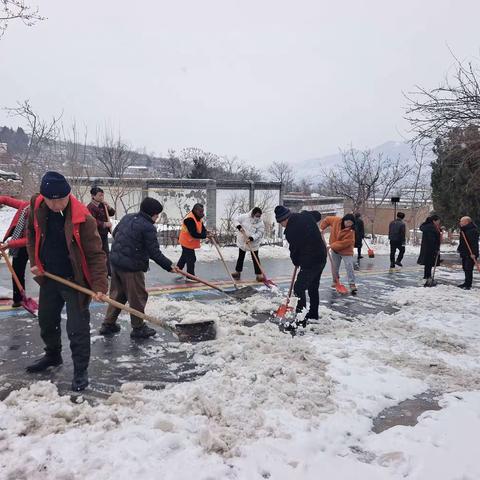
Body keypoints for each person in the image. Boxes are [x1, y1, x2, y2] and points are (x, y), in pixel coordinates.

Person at [26, 171, 108, 391]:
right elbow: (31, 234)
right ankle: (53, 355)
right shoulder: (37, 206)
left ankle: (80, 371)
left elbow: (96, 255)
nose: (55, 204)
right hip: (50, 278)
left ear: (68, 195)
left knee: (77, 328)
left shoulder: (84, 219)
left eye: (60, 200)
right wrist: (35, 260)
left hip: (75, 281)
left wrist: (100, 286)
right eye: (50, 200)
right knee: (46, 321)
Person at [100, 197, 179, 338]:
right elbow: (154, 252)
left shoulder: (128, 217)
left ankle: (108, 324)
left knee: (117, 295)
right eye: (157, 214)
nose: (158, 217)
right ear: (152, 213)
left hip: (116, 263)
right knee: (137, 297)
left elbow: (115, 233)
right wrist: (169, 265)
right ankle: (138, 328)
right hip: (131, 267)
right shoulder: (148, 227)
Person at [274, 206, 327, 329]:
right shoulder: (305, 215)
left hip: (310, 261)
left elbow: (294, 251)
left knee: (298, 288)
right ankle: (313, 314)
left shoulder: (291, 231)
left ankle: (300, 318)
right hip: (321, 257)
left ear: (284, 219)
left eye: (281, 222)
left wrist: (296, 261)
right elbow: (317, 215)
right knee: (313, 287)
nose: (282, 226)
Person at [0, 195, 30, 307]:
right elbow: (7, 200)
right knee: (17, 271)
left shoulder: (40, 216)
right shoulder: (25, 207)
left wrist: (9, 244)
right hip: (19, 245)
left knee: (42, 271)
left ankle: (52, 297)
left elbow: (30, 239)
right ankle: (19, 298)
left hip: (36, 245)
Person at [320, 213, 357, 294]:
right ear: (344, 220)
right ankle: (335, 281)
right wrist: (321, 228)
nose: (348, 224)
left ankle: (352, 284)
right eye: (347, 222)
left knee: (349, 266)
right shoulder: (336, 221)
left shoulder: (351, 232)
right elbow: (327, 219)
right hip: (335, 250)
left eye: (351, 223)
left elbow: (345, 243)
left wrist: (331, 246)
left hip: (346, 251)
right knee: (334, 266)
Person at [176, 203, 210, 280]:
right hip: (186, 241)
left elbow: (201, 226)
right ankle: (190, 276)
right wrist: (205, 236)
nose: (202, 213)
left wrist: (206, 232)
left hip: (189, 241)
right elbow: (194, 234)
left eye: (203, 211)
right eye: (200, 212)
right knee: (191, 258)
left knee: (185, 256)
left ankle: (178, 269)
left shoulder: (197, 217)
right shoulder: (190, 219)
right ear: (195, 210)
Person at [87, 186, 115, 276]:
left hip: (103, 234)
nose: (102, 197)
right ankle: (99, 273)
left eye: (102, 195)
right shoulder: (90, 207)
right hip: (95, 234)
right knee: (98, 254)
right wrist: (104, 224)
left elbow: (112, 213)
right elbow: (92, 221)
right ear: (93, 196)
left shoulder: (103, 205)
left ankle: (108, 272)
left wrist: (109, 207)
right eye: (99, 195)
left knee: (106, 253)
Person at [232, 207, 265, 282]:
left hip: (253, 243)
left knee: (255, 257)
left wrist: (251, 238)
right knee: (241, 256)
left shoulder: (260, 223)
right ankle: (238, 272)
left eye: (259, 216)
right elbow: (235, 219)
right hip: (243, 241)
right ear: (253, 214)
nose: (258, 217)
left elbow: (260, 233)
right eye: (256, 215)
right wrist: (239, 227)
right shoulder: (245, 217)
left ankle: (259, 274)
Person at [417, 214, 441, 287]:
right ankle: (428, 277)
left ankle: (427, 276)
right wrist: (436, 249)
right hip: (430, 248)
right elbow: (432, 240)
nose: (439, 222)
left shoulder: (428, 227)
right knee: (429, 263)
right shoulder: (431, 228)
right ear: (434, 221)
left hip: (426, 248)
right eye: (438, 221)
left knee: (428, 263)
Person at [457, 216, 479, 290]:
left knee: (468, 268)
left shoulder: (472, 230)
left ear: (466, 222)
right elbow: (463, 242)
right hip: (465, 252)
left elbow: (474, 243)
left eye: (461, 221)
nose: (460, 223)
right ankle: (466, 282)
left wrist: (474, 253)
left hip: (471, 253)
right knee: (465, 268)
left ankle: (468, 284)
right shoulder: (464, 230)